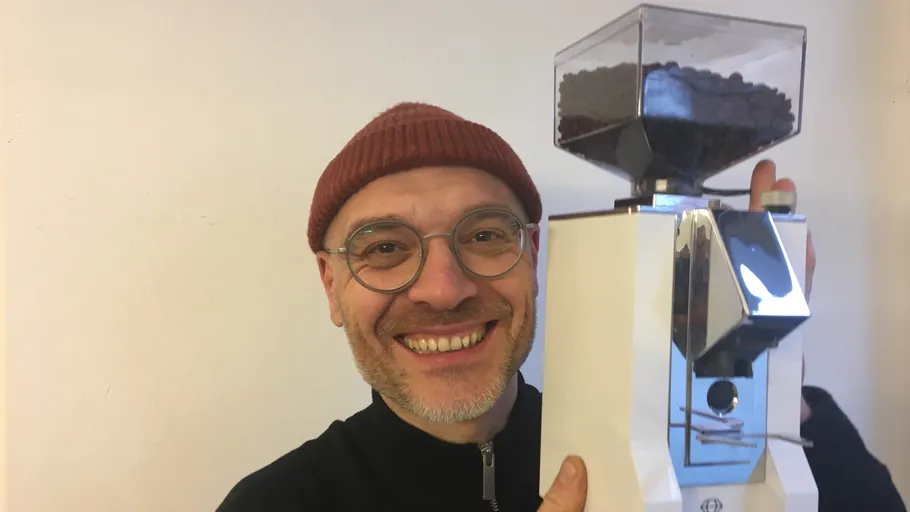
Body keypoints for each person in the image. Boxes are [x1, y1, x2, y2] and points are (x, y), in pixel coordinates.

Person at [216, 102, 906, 512]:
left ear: (534, 258)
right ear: (331, 286)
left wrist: (769, 364)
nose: (444, 288)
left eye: (485, 235)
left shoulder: (656, 444)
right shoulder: (276, 506)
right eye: (385, 248)